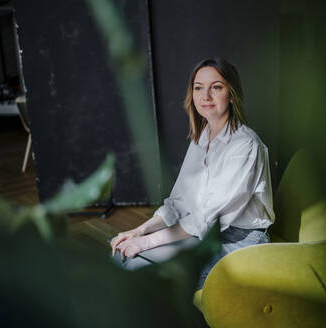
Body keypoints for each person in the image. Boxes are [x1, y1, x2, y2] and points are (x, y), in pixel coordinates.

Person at [110, 57, 275, 290]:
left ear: (232, 94)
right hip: (202, 232)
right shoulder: (203, 137)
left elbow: (205, 219)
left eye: (216, 87)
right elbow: (179, 202)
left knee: (139, 267)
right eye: (199, 88)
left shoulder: (246, 146)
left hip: (241, 241)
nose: (205, 96)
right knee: (119, 251)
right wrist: (139, 231)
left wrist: (146, 243)